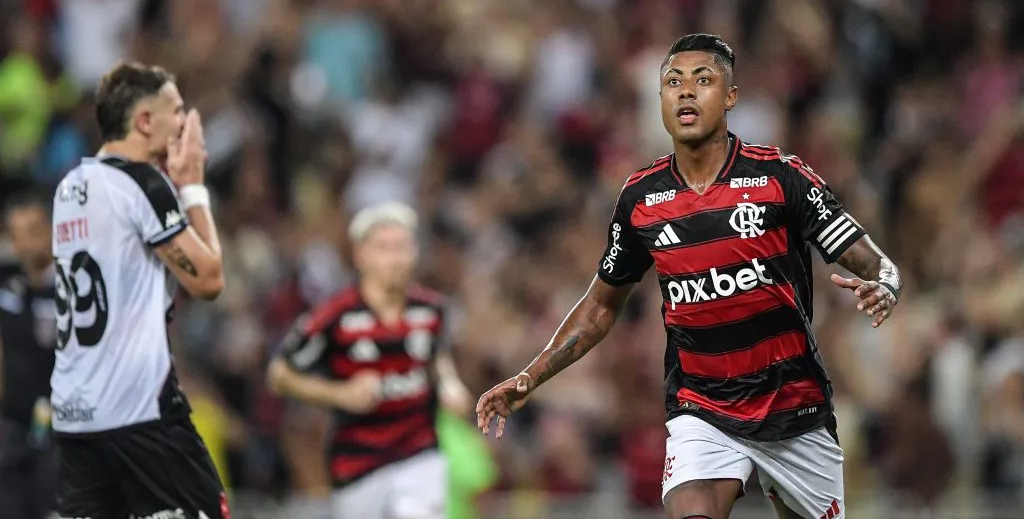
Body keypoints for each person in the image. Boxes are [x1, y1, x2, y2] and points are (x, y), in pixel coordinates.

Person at [476, 34, 904, 519]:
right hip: (702, 408)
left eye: (703, 80)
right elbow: (599, 307)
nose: (685, 91)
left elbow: (872, 260)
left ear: (730, 96)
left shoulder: (781, 178)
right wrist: (531, 375)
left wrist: (886, 284)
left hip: (793, 408)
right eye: (673, 82)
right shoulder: (641, 198)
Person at [50, 61, 230, 519]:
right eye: (177, 110)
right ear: (145, 121)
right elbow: (209, 280)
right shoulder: (141, 183)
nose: (185, 122)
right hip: (139, 416)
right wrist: (192, 188)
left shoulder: (69, 187)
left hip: (77, 416)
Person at [267, 201, 472, 519]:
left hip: (418, 453)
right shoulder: (334, 316)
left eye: (402, 247)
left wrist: (450, 384)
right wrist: (339, 394)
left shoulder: (431, 310)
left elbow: (437, 356)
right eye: (384, 248)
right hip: (358, 463)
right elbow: (279, 374)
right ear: (360, 255)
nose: (395, 258)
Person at [0, 190, 58, 519]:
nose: (26, 243)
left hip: (61, 430)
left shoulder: (73, 291)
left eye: (33, 230)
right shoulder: (8, 289)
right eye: (17, 234)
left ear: (51, 229)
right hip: (12, 427)